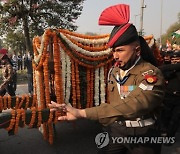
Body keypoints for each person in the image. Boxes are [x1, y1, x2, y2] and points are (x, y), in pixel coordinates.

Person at [49, 4, 165, 154]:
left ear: (137, 50)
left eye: (120, 50)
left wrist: (82, 113)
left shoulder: (151, 75)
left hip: (143, 134)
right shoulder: (115, 71)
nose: (115, 56)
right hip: (116, 129)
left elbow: (134, 105)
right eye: (113, 51)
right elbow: (116, 101)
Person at [159, 51, 180, 139]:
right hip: (168, 96)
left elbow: (172, 66)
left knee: (175, 118)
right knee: (166, 115)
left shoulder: (171, 67)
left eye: (177, 59)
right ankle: (165, 131)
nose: (175, 61)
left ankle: (170, 136)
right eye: (173, 59)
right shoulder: (168, 70)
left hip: (179, 98)